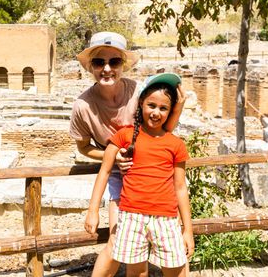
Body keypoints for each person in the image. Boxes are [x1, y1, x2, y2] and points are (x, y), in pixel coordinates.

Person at [69, 32, 186, 276]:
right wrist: (114, 157)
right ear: (91, 66)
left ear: (123, 65)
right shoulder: (82, 106)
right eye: (100, 62)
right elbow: (83, 147)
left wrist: (177, 110)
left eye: (115, 62)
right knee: (115, 242)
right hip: (117, 173)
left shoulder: (136, 91)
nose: (107, 69)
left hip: (150, 173)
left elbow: (160, 131)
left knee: (174, 250)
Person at [84, 72, 194, 277]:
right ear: (141, 103)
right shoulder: (124, 135)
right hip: (131, 217)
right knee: (136, 273)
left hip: (167, 219)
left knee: (177, 271)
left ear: (171, 111)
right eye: (151, 106)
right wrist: (93, 210)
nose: (156, 113)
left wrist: (187, 229)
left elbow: (180, 187)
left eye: (163, 108)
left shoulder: (175, 144)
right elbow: (105, 171)